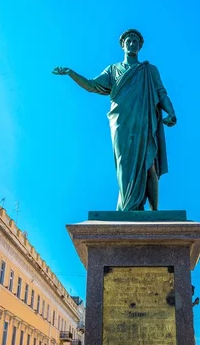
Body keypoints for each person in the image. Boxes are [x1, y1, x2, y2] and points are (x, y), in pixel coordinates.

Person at [52, 29, 177, 211]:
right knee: (124, 164)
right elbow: (92, 85)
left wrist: (171, 112)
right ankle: (127, 206)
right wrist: (71, 73)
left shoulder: (149, 70)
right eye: (129, 41)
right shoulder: (113, 70)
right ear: (123, 45)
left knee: (149, 163)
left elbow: (161, 92)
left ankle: (153, 213)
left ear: (140, 46)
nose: (132, 44)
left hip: (144, 120)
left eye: (136, 41)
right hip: (121, 122)